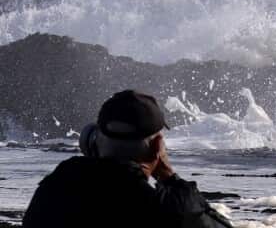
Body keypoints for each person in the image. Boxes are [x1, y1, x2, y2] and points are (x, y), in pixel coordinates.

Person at [23, 89, 232, 228]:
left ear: (93, 139)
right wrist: (170, 179)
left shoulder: (56, 185)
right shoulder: (161, 209)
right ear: (156, 147)